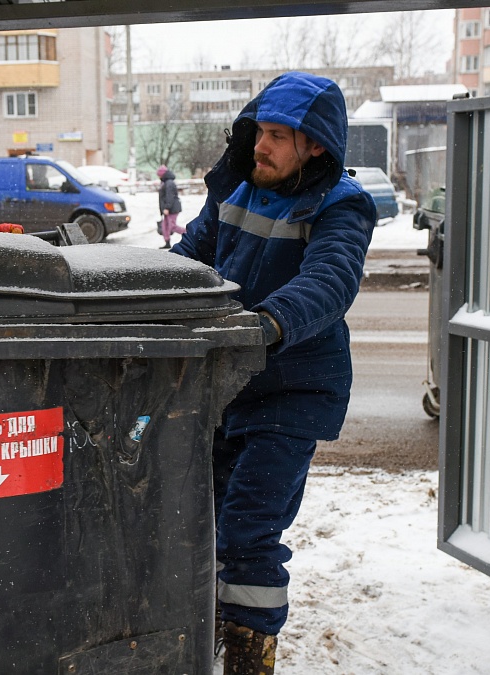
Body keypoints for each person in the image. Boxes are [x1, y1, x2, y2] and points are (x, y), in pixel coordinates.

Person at [170, 72, 376, 674]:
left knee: (247, 530)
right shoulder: (237, 187)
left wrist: (269, 322)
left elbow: (331, 280)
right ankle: (204, 627)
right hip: (224, 386)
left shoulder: (341, 205)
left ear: (315, 145)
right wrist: (139, 288)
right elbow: (191, 259)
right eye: (260, 131)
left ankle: (249, 656)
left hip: (290, 390)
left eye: (279, 136)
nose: (262, 146)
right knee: (198, 519)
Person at [156, 164, 185, 249]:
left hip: (172, 208)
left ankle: (188, 233)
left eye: (159, 174)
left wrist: (167, 208)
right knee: (165, 226)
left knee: (172, 226)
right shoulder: (165, 182)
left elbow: (170, 196)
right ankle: (167, 242)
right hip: (167, 208)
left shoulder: (169, 183)